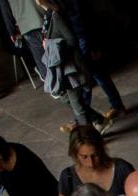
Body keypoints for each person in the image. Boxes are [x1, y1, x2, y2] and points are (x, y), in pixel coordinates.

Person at [35, 0, 110, 136]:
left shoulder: (56, 15)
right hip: (62, 68)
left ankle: (89, 138)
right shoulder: (48, 15)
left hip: (71, 68)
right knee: (66, 100)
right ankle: (99, 120)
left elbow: (71, 40)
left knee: (77, 106)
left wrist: (50, 45)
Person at [53, 125, 135, 196]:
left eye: (95, 155)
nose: (90, 163)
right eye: (84, 157)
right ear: (75, 154)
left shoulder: (121, 168)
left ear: (101, 150)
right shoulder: (68, 177)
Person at [60, 0, 127, 122]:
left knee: (85, 79)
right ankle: (116, 106)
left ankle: (83, 118)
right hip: (82, 37)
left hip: (83, 38)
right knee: (98, 74)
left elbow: (84, 18)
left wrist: (93, 46)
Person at [0, 0, 46, 78]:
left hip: (26, 25)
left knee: (42, 61)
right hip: (44, 15)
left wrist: (11, 31)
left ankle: (54, 86)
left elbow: (5, 10)